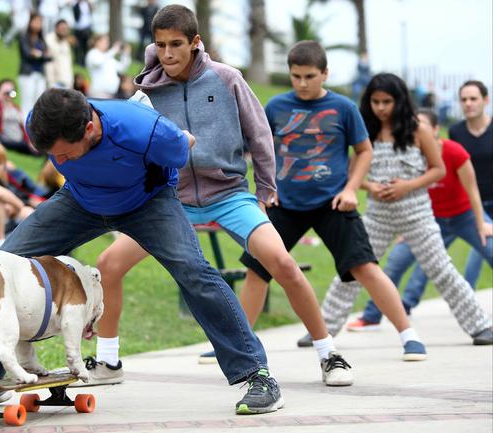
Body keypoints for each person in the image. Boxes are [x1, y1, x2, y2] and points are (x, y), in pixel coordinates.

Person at [0, 88, 283, 415]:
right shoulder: (40, 122)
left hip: (147, 203)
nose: (57, 162)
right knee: (4, 263)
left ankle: (255, 374)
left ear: (89, 129)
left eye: (65, 155)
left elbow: (181, 148)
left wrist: (182, 140)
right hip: (80, 200)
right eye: (52, 155)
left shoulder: (146, 131)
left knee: (194, 272)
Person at [89, 7, 353, 394]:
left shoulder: (227, 79)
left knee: (281, 261)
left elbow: (260, 134)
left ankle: (329, 353)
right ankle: (109, 360)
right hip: (170, 199)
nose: (168, 53)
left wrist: (265, 192)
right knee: (107, 263)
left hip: (228, 194)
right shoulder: (145, 93)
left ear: (195, 43)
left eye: (176, 44)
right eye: (160, 45)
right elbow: (130, 146)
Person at [236, 43, 429, 361]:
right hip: (285, 204)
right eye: (296, 76)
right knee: (257, 268)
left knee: (365, 266)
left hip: (333, 203)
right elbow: (261, 151)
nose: (302, 83)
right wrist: (265, 190)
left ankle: (409, 336)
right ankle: (238, 344)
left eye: (309, 76)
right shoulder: (275, 107)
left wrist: (352, 189)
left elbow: (364, 151)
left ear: (324, 73)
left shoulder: (343, 107)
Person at [310, 73, 492, 346]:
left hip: (417, 214)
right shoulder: (364, 131)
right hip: (378, 216)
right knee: (351, 269)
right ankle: (322, 330)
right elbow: (352, 173)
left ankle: (480, 326)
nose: (381, 108)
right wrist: (370, 187)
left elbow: (438, 169)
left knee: (442, 270)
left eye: (387, 101)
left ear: (400, 101)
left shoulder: (417, 130)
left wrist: (407, 186)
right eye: (375, 102)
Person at [349, 108, 493, 332]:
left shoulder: (452, 151)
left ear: (436, 130)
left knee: (487, 251)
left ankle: (477, 324)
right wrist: (403, 224)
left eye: (424, 126)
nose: (418, 130)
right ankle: (373, 315)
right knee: (397, 262)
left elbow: (472, 189)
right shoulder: (405, 153)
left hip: (462, 215)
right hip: (428, 218)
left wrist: (481, 223)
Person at [450, 81, 493, 292]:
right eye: (464, 99)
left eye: (473, 98)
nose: (468, 104)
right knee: (483, 246)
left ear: (486, 100)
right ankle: (468, 294)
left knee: (484, 247)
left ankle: (468, 292)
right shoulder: (456, 131)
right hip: (472, 203)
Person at [18, 13, 51, 117]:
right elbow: (27, 54)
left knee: (38, 103)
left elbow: (49, 57)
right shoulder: (24, 36)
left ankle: (34, 129)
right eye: (35, 21)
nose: (37, 24)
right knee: (27, 102)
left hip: (40, 74)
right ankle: (25, 128)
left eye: (40, 22)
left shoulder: (41, 39)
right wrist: (40, 55)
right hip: (27, 73)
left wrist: (37, 54)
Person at [0, 79, 36, 154]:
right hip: (5, 139)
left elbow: (22, 126)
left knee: (36, 146)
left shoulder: (16, 108)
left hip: (19, 140)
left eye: (12, 92)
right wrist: (0, 96)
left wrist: (28, 141)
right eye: (7, 92)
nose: (9, 94)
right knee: (26, 147)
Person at [85, 34, 132, 98]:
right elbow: (99, 62)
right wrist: (114, 50)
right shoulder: (92, 53)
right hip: (98, 92)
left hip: (111, 94)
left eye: (108, 41)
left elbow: (122, 68)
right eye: (105, 41)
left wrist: (125, 54)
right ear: (97, 42)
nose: (107, 43)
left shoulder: (108, 57)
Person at [45, 19, 74, 89]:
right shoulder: (48, 39)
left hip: (67, 81)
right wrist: (50, 82)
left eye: (66, 29)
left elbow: (68, 63)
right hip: (54, 82)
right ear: (56, 28)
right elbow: (49, 61)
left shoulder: (66, 42)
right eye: (62, 28)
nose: (64, 31)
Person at [71, 0, 93, 67]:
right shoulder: (75, 4)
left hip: (86, 27)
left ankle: (85, 61)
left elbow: (91, 11)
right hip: (78, 28)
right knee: (77, 45)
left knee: (85, 46)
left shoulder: (87, 4)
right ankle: (78, 61)